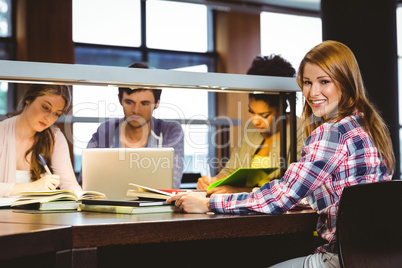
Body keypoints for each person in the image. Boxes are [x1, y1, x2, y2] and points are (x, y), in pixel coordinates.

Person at [167, 40, 395, 267]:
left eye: (324, 82)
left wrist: (209, 204)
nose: (313, 92)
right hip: (376, 258)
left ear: (346, 82)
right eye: (307, 82)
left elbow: (281, 198)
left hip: (338, 260)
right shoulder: (367, 126)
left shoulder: (331, 132)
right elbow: (338, 192)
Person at [197, 55, 304, 195]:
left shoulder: (300, 130)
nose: (255, 121)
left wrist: (239, 191)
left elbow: (292, 186)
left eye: (264, 115)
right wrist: (212, 181)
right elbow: (231, 170)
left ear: (282, 109)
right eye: (251, 112)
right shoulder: (251, 128)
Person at [85, 62, 184, 189]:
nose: (136, 110)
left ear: (157, 103)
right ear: (119, 99)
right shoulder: (105, 131)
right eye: (129, 102)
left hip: (155, 208)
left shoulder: (170, 131)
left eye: (144, 103)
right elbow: (87, 183)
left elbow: (171, 185)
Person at [0, 84, 82, 197]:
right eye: (45, 107)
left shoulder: (55, 138)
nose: (49, 118)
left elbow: (70, 186)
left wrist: (87, 198)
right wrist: (33, 187)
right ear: (28, 99)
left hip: (37, 214)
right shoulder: (2, 132)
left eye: (56, 114)